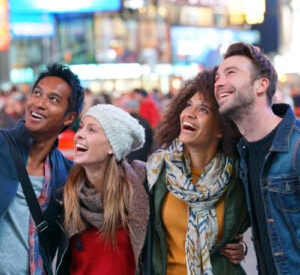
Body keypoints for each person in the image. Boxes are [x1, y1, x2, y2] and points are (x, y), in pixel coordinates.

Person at [145, 69, 249, 275]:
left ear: (221, 128)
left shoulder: (238, 177)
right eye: (188, 105)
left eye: (203, 110)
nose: (189, 114)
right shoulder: (157, 170)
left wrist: (242, 248)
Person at [214, 42, 300, 274]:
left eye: (231, 73)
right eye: (217, 77)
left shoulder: (297, 146)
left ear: (261, 85)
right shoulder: (242, 152)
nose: (219, 82)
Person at [0, 63, 84, 274]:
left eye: (53, 99)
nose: (39, 103)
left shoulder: (66, 173)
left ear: (69, 117)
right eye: (37, 94)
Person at [63, 104, 149, 275]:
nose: (79, 134)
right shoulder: (65, 196)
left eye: (91, 130)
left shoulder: (141, 190)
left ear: (112, 147)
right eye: (80, 128)